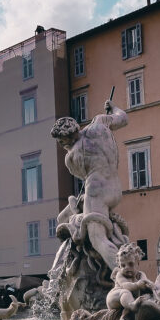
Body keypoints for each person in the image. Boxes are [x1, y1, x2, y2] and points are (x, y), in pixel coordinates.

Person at [50, 100, 129, 271]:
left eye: (61, 141)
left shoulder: (71, 157)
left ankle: (122, 276)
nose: (62, 145)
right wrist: (112, 108)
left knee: (97, 239)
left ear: (65, 139)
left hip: (96, 192)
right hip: (115, 188)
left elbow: (79, 174)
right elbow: (123, 118)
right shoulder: (100, 123)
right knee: (63, 217)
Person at [106, 242, 153, 320]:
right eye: (123, 265)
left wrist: (151, 286)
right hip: (115, 297)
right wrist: (137, 285)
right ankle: (132, 305)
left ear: (137, 263)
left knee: (136, 297)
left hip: (127, 301)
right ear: (119, 266)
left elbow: (146, 282)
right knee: (126, 292)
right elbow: (125, 286)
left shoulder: (141, 274)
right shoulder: (120, 275)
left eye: (130, 264)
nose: (126, 268)